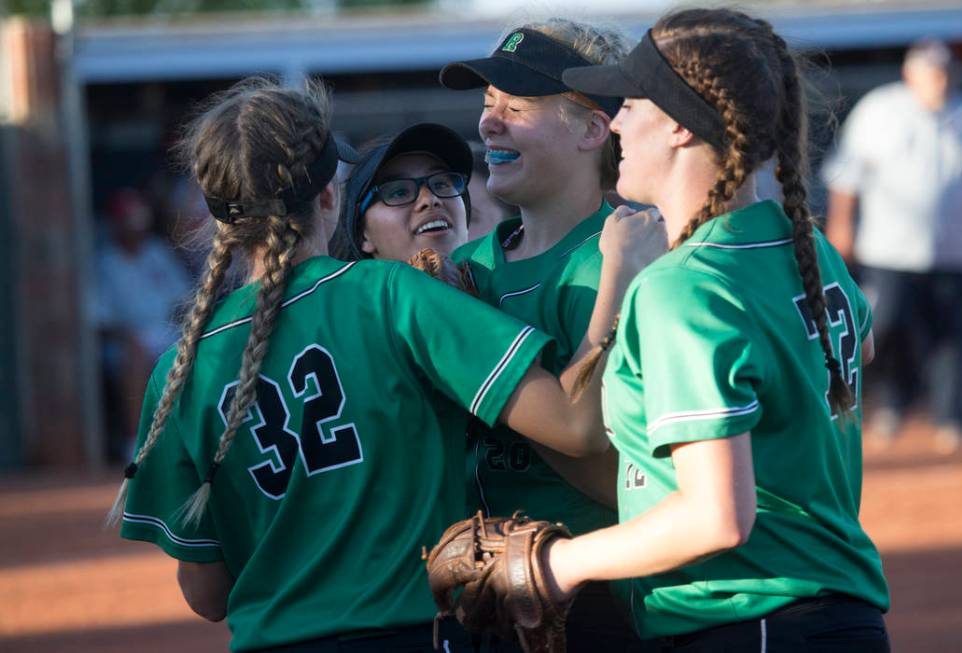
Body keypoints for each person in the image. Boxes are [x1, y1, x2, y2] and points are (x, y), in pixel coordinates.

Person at [108, 78, 657, 653]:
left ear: (221, 219)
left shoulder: (182, 367)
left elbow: (207, 596)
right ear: (329, 199)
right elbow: (575, 425)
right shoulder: (392, 296)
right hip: (411, 632)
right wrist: (619, 275)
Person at [526, 8, 890, 652]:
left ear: (677, 127)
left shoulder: (682, 286)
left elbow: (717, 517)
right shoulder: (803, 246)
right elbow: (853, 347)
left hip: (744, 619)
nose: (615, 122)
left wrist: (558, 565)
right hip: (837, 619)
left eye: (631, 103)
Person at [440, 18, 643, 651]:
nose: (489, 123)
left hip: (599, 601)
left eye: (518, 106)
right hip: (478, 596)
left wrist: (485, 366)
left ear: (593, 128)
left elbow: (622, 483)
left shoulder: (631, 259)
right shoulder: (466, 271)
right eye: (487, 103)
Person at [823, 39, 962, 453]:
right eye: (931, 72)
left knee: (950, 337)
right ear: (911, 74)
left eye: (945, 72)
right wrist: (843, 226)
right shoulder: (880, 110)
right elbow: (846, 175)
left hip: (953, 251)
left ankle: (950, 418)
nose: (939, 80)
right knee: (886, 327)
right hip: (889, 250)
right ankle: (892, 405)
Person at [96, 187, 192, 459]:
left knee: (198, 347)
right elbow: (99, 322)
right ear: (117, 224)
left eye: (139, 220)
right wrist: (129, 339)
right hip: (126, 340)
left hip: (164, 331)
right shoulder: (106, 261)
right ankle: (135, 442)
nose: (137, 227)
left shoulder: (155, 251)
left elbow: (183, 298)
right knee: (135, 353)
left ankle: (187, 437)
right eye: (130, 221)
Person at [332, 123, 472, 262]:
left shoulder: (492, 281)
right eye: (399, 192)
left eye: (441, 184)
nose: (429, 199)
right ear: (363, 235)